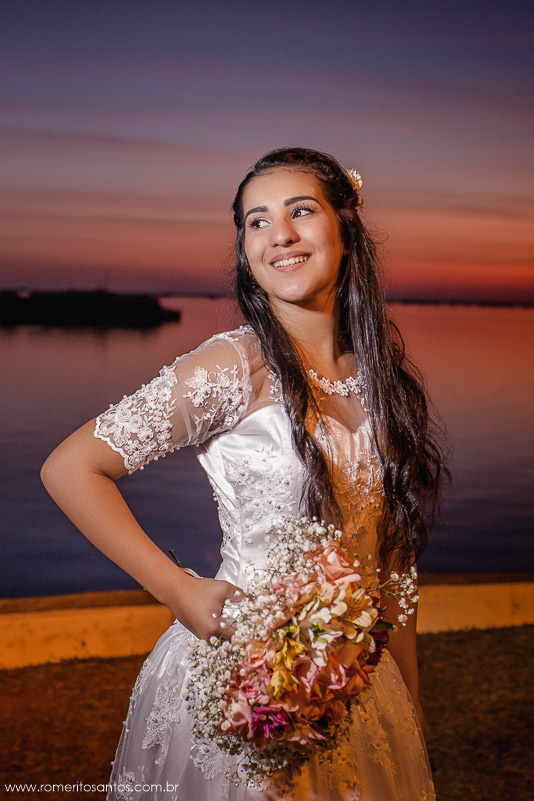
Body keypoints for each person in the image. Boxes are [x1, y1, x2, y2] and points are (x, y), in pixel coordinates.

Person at [41, 147, 446, 800]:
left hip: (362, 689)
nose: (278, 234)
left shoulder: (381, 380)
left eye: (301, 211)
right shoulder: (237, 364)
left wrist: (410, 696)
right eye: (256, 221)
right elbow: (72, 467)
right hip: (240, 671)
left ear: (346, 230)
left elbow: (389, 565)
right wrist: (178, 589)